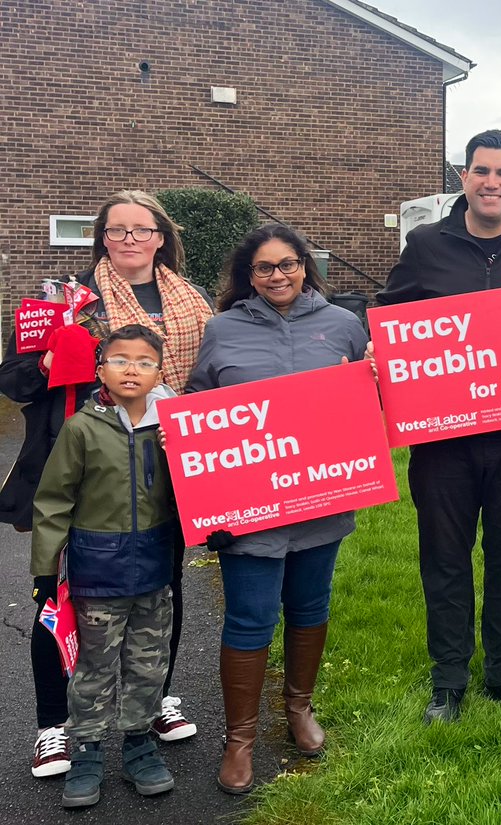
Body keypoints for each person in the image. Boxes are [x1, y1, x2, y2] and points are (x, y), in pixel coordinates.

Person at [0, 190, 209, 779]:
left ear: (161, 236)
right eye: (116, 231)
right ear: (102, 239)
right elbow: (13, 379)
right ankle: (54, 726)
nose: (129, 241)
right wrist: (50, 362)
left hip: (161, 465)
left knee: (160, 588)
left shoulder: (192, 302)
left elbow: (212, 375)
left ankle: (151, 700)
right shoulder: (64, 301)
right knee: (58, 596)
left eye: (140, 230)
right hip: (81, 462)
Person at [377, 129, 501, 724]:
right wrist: (381, 346)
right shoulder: (425, 245)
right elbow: (392, 315)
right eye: (480, 171)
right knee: (444, 555)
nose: (491, 183)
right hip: (444, 438)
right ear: (464, 178)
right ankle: (448, 679)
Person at [186, 223, 369, 793]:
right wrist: (184, 431)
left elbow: (370, 395)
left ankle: (298, 709)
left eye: (287, 264)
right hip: (247, 507)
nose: (277, 276)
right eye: (264, 268)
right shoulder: (222, 329)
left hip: (321, 498)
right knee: (250, 616)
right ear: (249, 275)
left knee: (310, 607)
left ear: (304, 266)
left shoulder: (344, 325)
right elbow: (196, 400)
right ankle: (239, 737)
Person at [32, 325, 180, 808]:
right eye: (119, 359)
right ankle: (88, 750)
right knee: (94, 667)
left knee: (148, 663)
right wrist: (44, 573)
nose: (131, 369)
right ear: (101, 369)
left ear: (160, 370)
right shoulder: (82, 429)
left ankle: (139, 742)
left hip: (156, 568)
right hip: (99, 571)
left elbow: (199, 483)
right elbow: (53, 502)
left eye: (143, 361)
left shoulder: (174, 425)